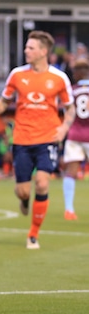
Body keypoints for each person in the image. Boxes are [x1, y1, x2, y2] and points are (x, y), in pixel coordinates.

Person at [0, 30, 74, 250]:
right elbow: (3, 102)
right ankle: (23, 200)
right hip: (22, 139)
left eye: (30, 47)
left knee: (41, 182)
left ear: (43, 51)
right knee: (24, 190)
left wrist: (63, 129)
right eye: (26, 47)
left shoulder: (59, 78)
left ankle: (33, 234)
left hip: (48, 138)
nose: (26, 51)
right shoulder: (17, 75)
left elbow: (70, 109)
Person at [61, 58, 89, 220]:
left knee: (71, 172)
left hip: (75, 134)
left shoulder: (71, 90)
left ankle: (69, 209)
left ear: (79, 73)